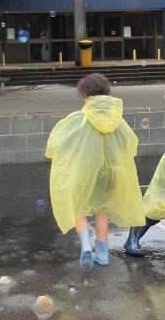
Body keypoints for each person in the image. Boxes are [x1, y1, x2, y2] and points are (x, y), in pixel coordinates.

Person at [45, 72, 144, 269]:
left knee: (76, 206)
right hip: (110, 173)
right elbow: (130, 143)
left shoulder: (79, 118)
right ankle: (102, 254)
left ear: (84, 94)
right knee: (101, 210)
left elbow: (59, 142)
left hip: (85, 171)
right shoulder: (118, 120)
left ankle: (85, 244)